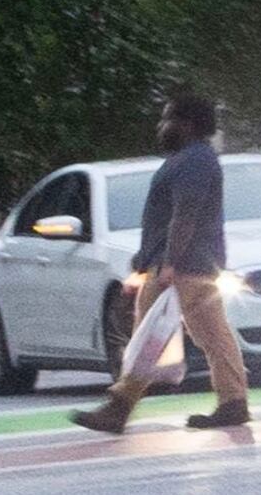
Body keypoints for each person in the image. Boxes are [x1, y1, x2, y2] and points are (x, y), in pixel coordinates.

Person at [70, 94, 250, 436]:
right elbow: (170, 217)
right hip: (189, 266)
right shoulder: (192, 159)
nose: (161, 125)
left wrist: (169, 263)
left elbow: (185, 215)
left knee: (148, 337)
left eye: (167, 118)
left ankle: (119, 407)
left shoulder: (194, 161)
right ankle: (233, 401)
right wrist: (144, 261)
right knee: (212, 334)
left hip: (181, 268)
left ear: (187, 124)